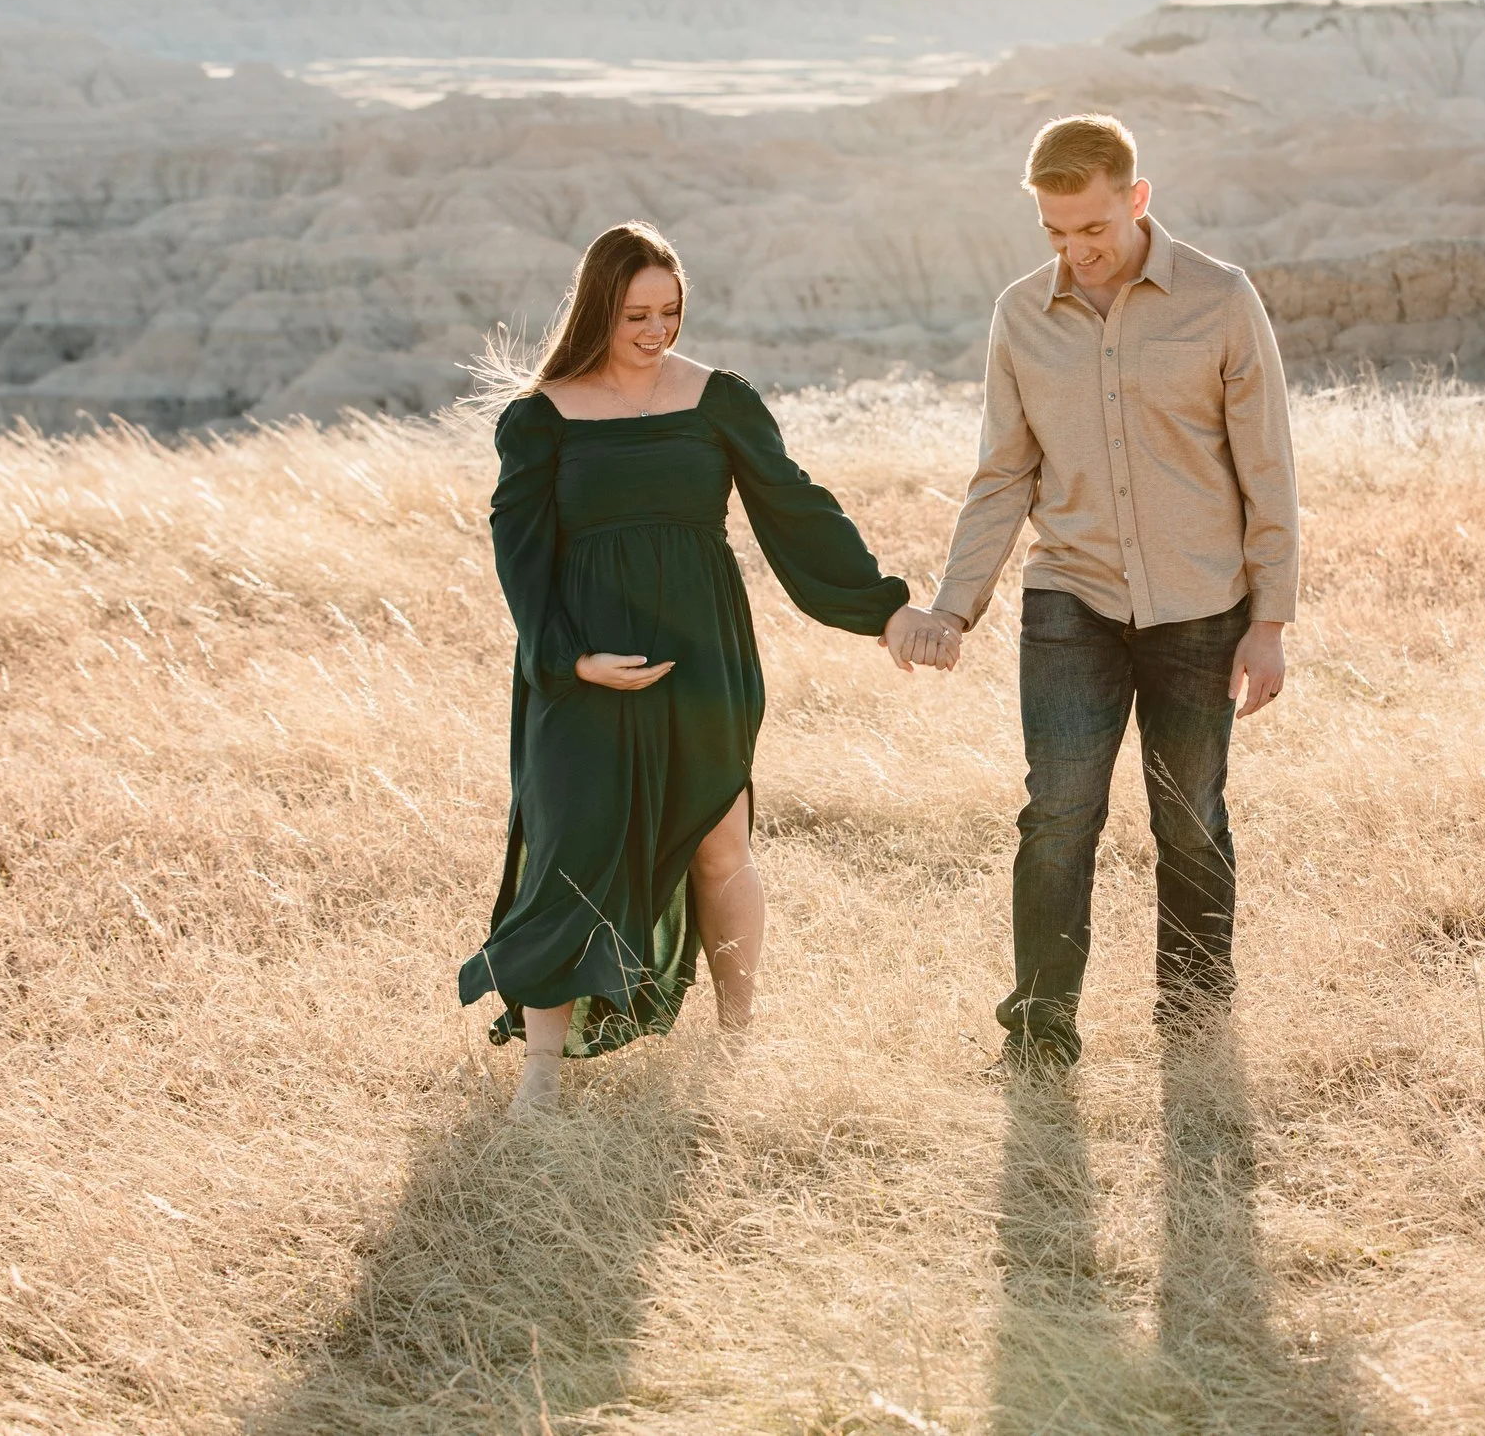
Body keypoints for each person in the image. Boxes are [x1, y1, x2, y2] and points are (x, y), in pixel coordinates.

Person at [458, 222, 942, 1115]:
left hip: (706, 658)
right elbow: (518, 555)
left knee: (723, 849)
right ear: (597, 307)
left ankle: (737, 1043)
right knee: (567, 850)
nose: (654, 331)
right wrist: (569, 660)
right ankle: (540, 1073)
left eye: (670, 312)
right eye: (635, 313)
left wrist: (884, 607)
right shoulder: (539, 419)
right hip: (581, 673)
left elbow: (794, 508)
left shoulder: (719, 400)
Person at [909, 114, 1300, 1070]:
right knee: (1057, 814)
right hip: (1070, 598)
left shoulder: (1221, 298)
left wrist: (1271, 621)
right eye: (1055, 233)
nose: (1076, 251)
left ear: (1137, 198)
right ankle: (1041, 1032)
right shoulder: (1021, 315)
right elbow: (1002, 473)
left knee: (1190, 814)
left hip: (1203, 607)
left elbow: (1267, 468)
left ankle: (1195, 1024)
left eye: (1093, 229)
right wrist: (953, 606)